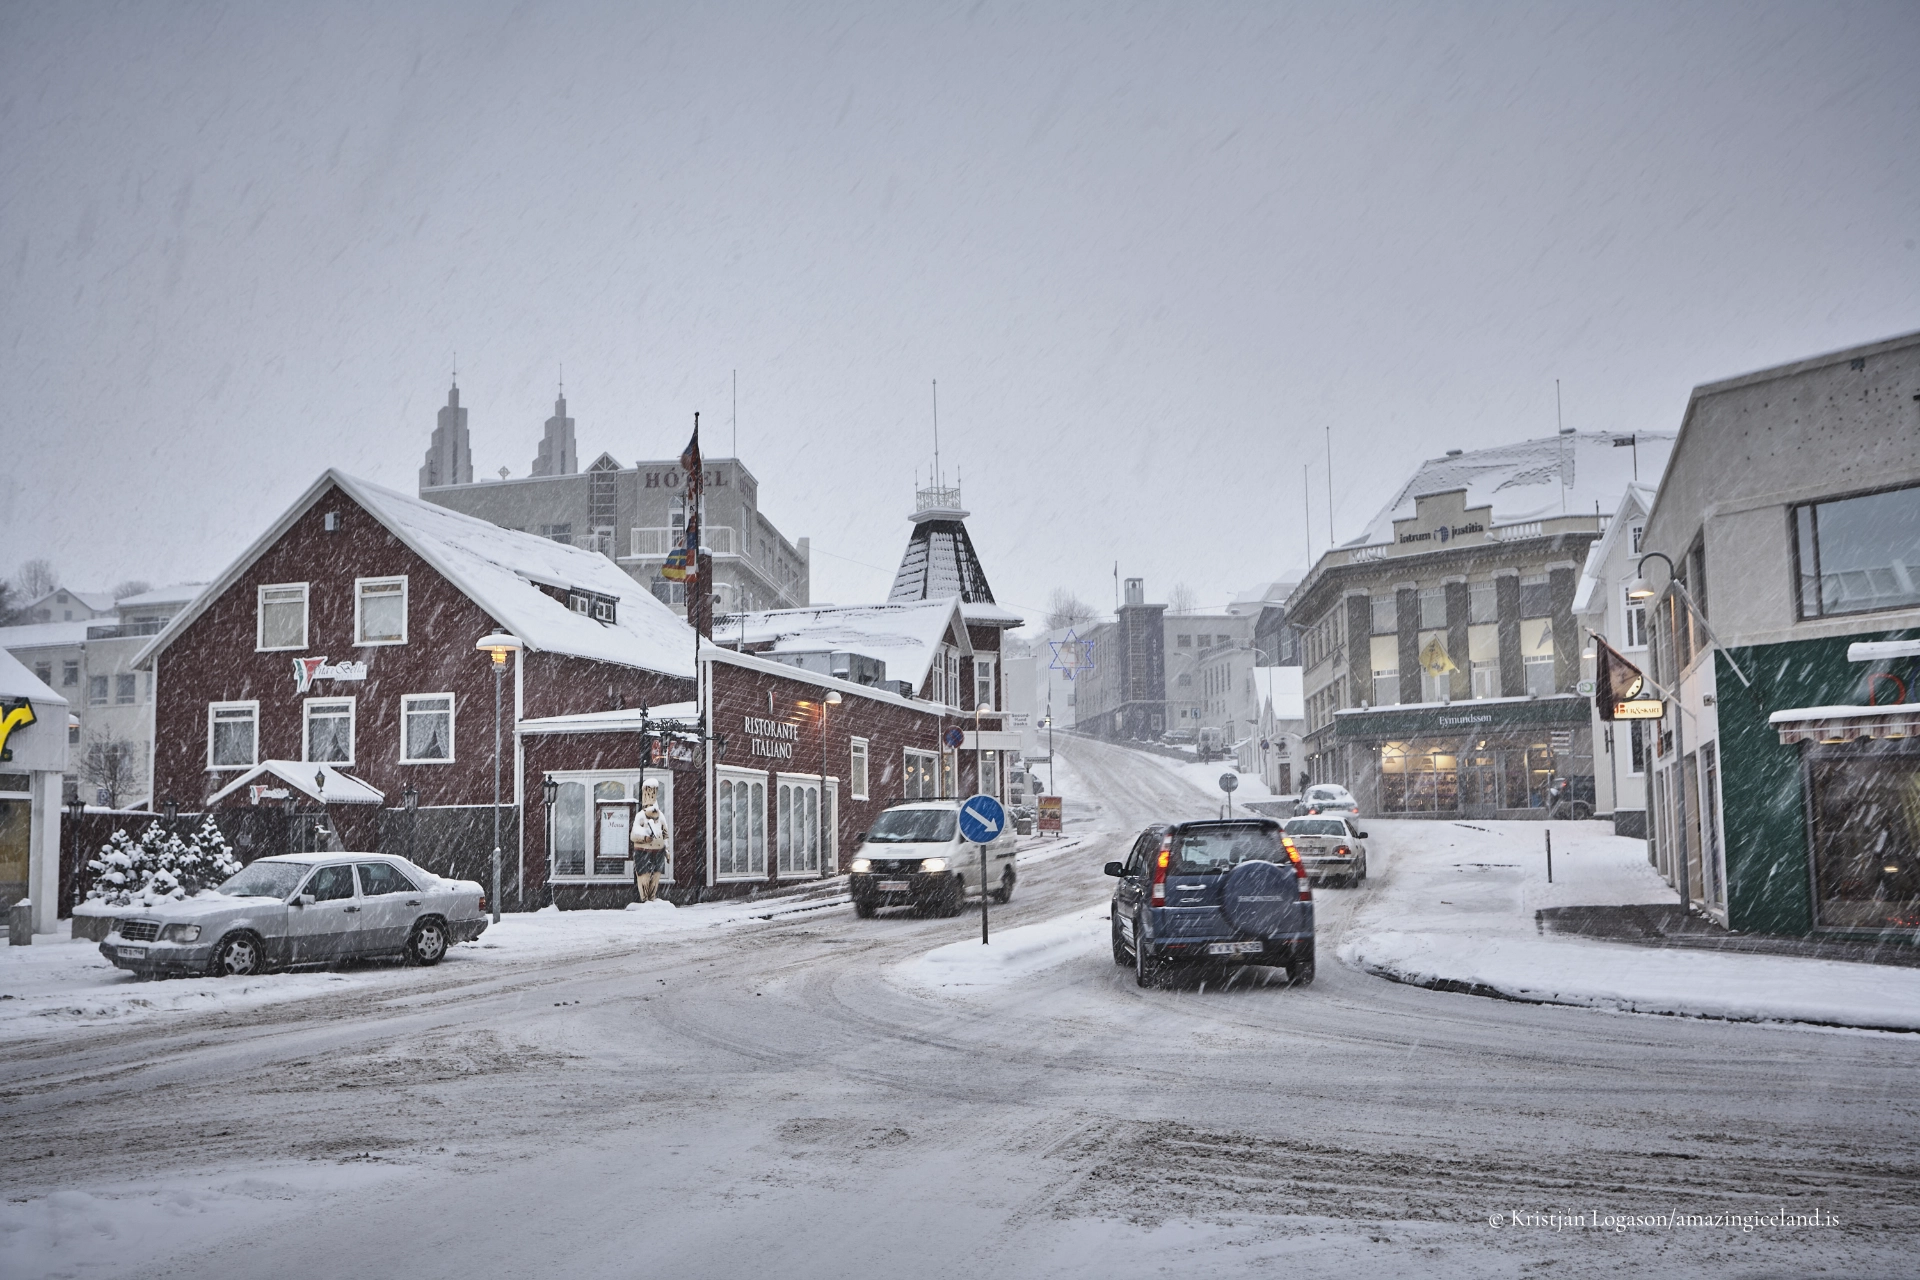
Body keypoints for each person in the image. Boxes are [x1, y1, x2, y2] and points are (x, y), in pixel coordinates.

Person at [630, 780, 669, 902]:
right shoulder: (640, 816)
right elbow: (633, 835)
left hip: (658, 852)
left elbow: (665, 834)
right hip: (643, 852)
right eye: (649, 793)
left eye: (654, 793)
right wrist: (644, 838)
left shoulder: (661, 816)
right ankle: (644, 899)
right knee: (644, 876)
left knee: (656, 876)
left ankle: (652, 898)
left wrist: (667, 850)